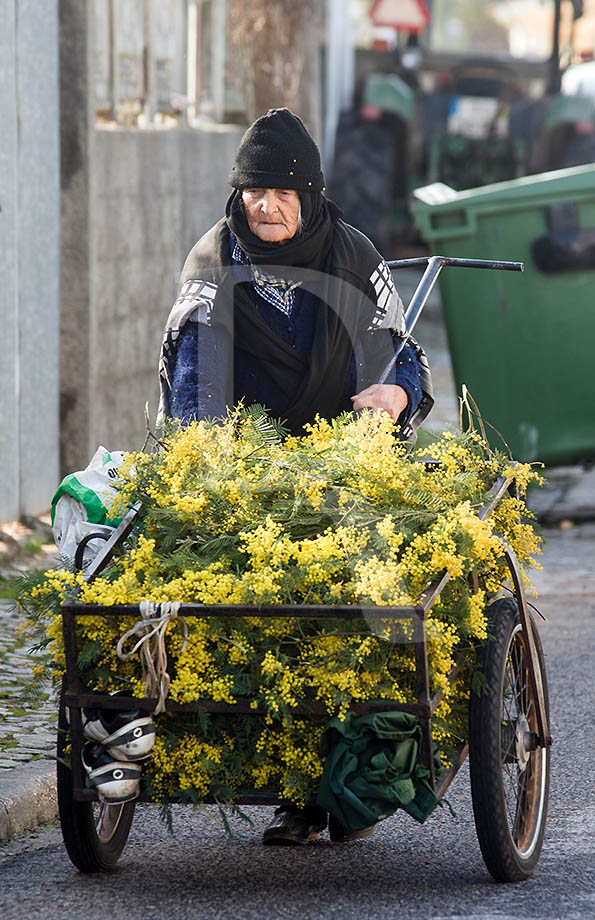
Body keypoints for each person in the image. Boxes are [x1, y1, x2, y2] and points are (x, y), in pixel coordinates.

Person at [158, 108, 434, 845]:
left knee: (348, 614)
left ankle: (332, 788)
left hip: (340, 458)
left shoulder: (351, 256)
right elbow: (194, 379)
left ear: (308, 195)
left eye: (281, 192)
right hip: (243, 463)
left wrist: (395, 394)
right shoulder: (214, 262)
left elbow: (398, 352)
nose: (266, 206)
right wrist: (209, 467)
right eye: (252, 191)